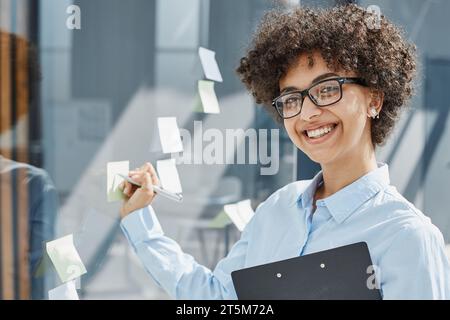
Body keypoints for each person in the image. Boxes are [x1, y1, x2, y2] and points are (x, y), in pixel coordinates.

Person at [119, 4, 450, 299]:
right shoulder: (277, 210)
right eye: (292, 99)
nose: (307, 114)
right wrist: (140, 222)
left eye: (326, 89)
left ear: (374, 100)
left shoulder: (408, 237)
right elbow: (219, 296)